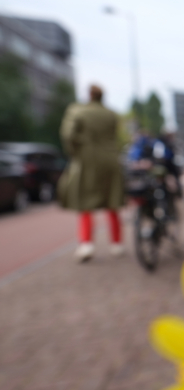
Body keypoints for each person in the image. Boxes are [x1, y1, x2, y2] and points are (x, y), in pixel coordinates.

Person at [58, 84, 125, 262]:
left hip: (87, 160)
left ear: (89, 95)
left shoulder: (77, 111)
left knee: (85, 203)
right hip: (111, 160)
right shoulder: (111, 114)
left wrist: (76, 152)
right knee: (113, 201)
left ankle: (86, 244)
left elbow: (67, 134)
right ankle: (117, 243)